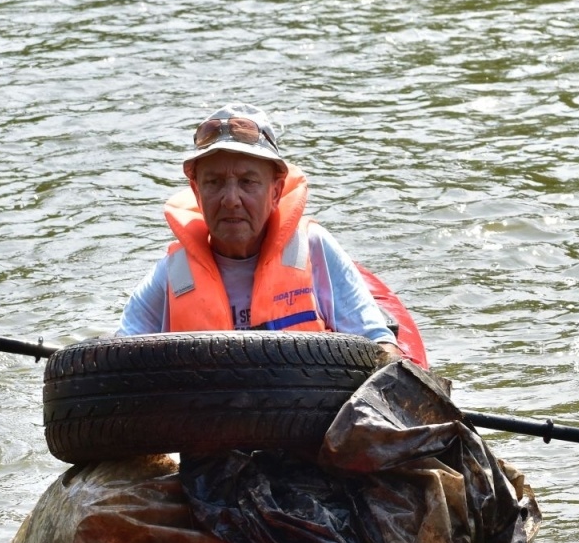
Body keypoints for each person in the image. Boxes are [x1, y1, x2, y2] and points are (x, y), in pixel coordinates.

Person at [116, 103, 403, 360]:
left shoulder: (313, 249)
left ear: (276, 191)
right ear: (196, 192)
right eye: (214, 182)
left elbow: (379, 345)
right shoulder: (173, 275)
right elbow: (111, 364)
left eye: (247, 182)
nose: (230, 199)